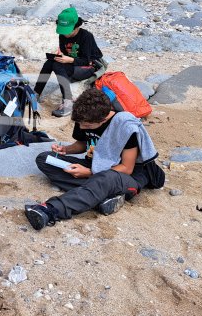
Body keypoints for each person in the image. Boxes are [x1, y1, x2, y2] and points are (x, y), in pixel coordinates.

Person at [24, 88, 165, 231]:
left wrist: (90, 172)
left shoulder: (124, 126)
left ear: (103, 119)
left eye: (87, 126)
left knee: (105, 179)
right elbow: (83, 144)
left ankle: (50, 210)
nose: (82, 127)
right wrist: (66, 150)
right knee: (45, 159)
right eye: (80, 124)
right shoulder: (84, 117)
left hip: (126, 176)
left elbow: (127, 168)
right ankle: (101, 197)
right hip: (97, 163)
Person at [33, 6, 104, 117]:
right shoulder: (62, 36)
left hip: (89, 67)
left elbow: (86, 61)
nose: (65, 34)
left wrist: (69, 59)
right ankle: (36, 93)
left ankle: (68, 102)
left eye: (68, 31)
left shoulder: (86, 36)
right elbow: (65, 52)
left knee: (57, 66)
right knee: (49, 63)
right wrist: (62, 57)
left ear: (76, 26)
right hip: (72, 65)